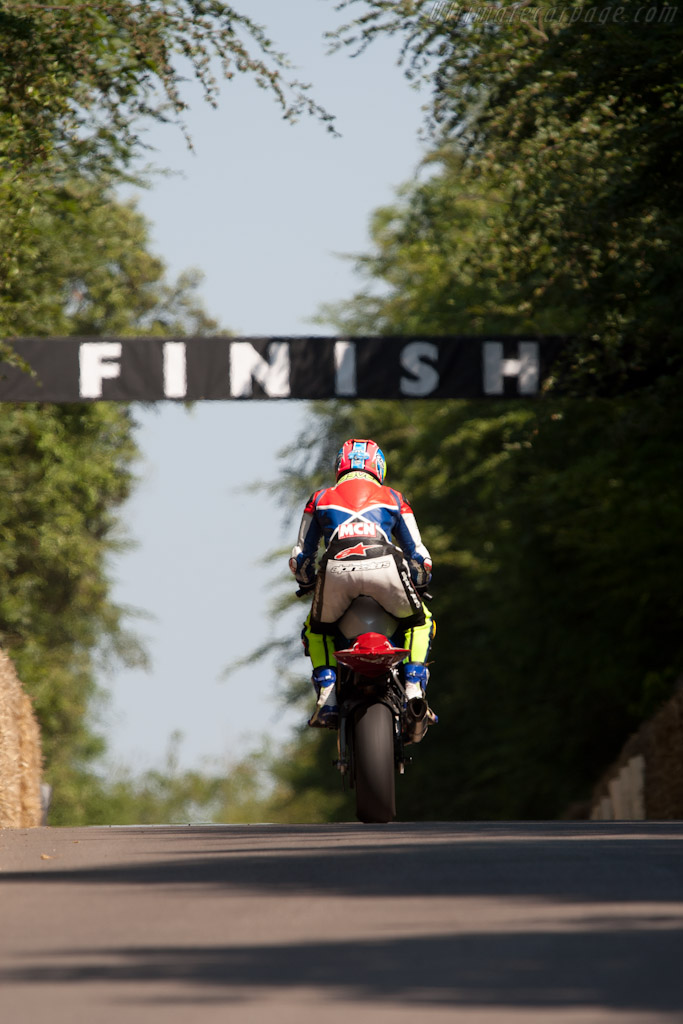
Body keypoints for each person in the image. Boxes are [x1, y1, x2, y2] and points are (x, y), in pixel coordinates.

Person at [289, 438, 436, 728]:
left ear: (339, 467)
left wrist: (305, 581)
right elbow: (420, 556)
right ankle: (414, 688)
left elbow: (300, 558)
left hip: (336, 571)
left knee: (316, 629)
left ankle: (327, 696)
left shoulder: (319, 499)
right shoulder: (394, 498)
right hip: (386, 569)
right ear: (378, 467)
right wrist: (420, 583)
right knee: (421, 622)